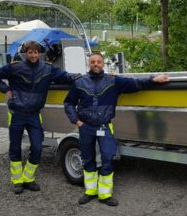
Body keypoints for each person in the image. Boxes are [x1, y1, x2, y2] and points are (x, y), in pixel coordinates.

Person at [64, 52, 169, 207]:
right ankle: (90, 191)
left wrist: (153, 80)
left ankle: (105, 194)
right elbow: (69, 103)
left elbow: (135, 84)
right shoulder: (79, 82)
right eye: (92, 62)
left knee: (108, 157)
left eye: (99, 61)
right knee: (87, 158)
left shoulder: (113, 81)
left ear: (103, 63)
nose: (96, 64)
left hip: (104, 126)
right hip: (86, 127)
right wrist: (77, 121)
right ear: (89, 64)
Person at [0, 40, 79, 194]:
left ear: (40, 53)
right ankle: (17, 181)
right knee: (15, 148)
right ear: (26, 53)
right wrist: (6, 90)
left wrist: (78, 77)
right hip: (16, 114)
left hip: (34, 115)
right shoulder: (15, 67)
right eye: (30, 52)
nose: (33, 55)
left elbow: (65, 76)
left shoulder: (48, 69)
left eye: (35, 52)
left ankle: (28, 178)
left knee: (37, 147)